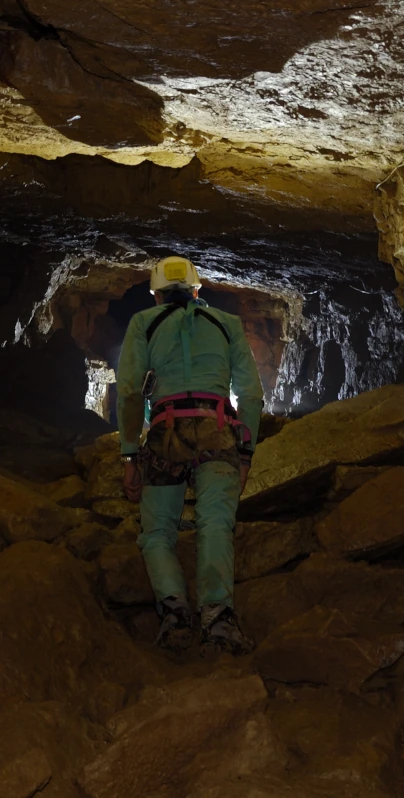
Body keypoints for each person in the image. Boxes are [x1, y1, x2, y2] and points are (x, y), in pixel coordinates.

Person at [115, 255, 264, 655]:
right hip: (218, 433)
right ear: (197, 290)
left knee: (157, 533)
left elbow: (129, 391)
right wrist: (246, 454)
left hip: (165, 434)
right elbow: (251, 395)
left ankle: (175, 613)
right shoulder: (227, 324)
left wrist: (130, 455)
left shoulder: (145, 324)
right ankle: (218, 618)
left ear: (157, 295)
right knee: (216, 523)